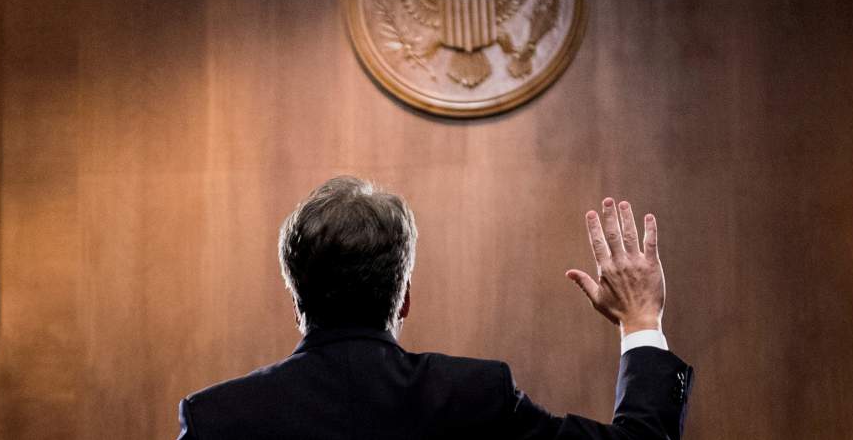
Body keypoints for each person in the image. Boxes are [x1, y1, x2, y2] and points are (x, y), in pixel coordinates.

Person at [177, 176, 693, 439]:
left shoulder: (218, 420)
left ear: (296, 300)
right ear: (404, 298)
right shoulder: (476, 397)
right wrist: (641, 320)